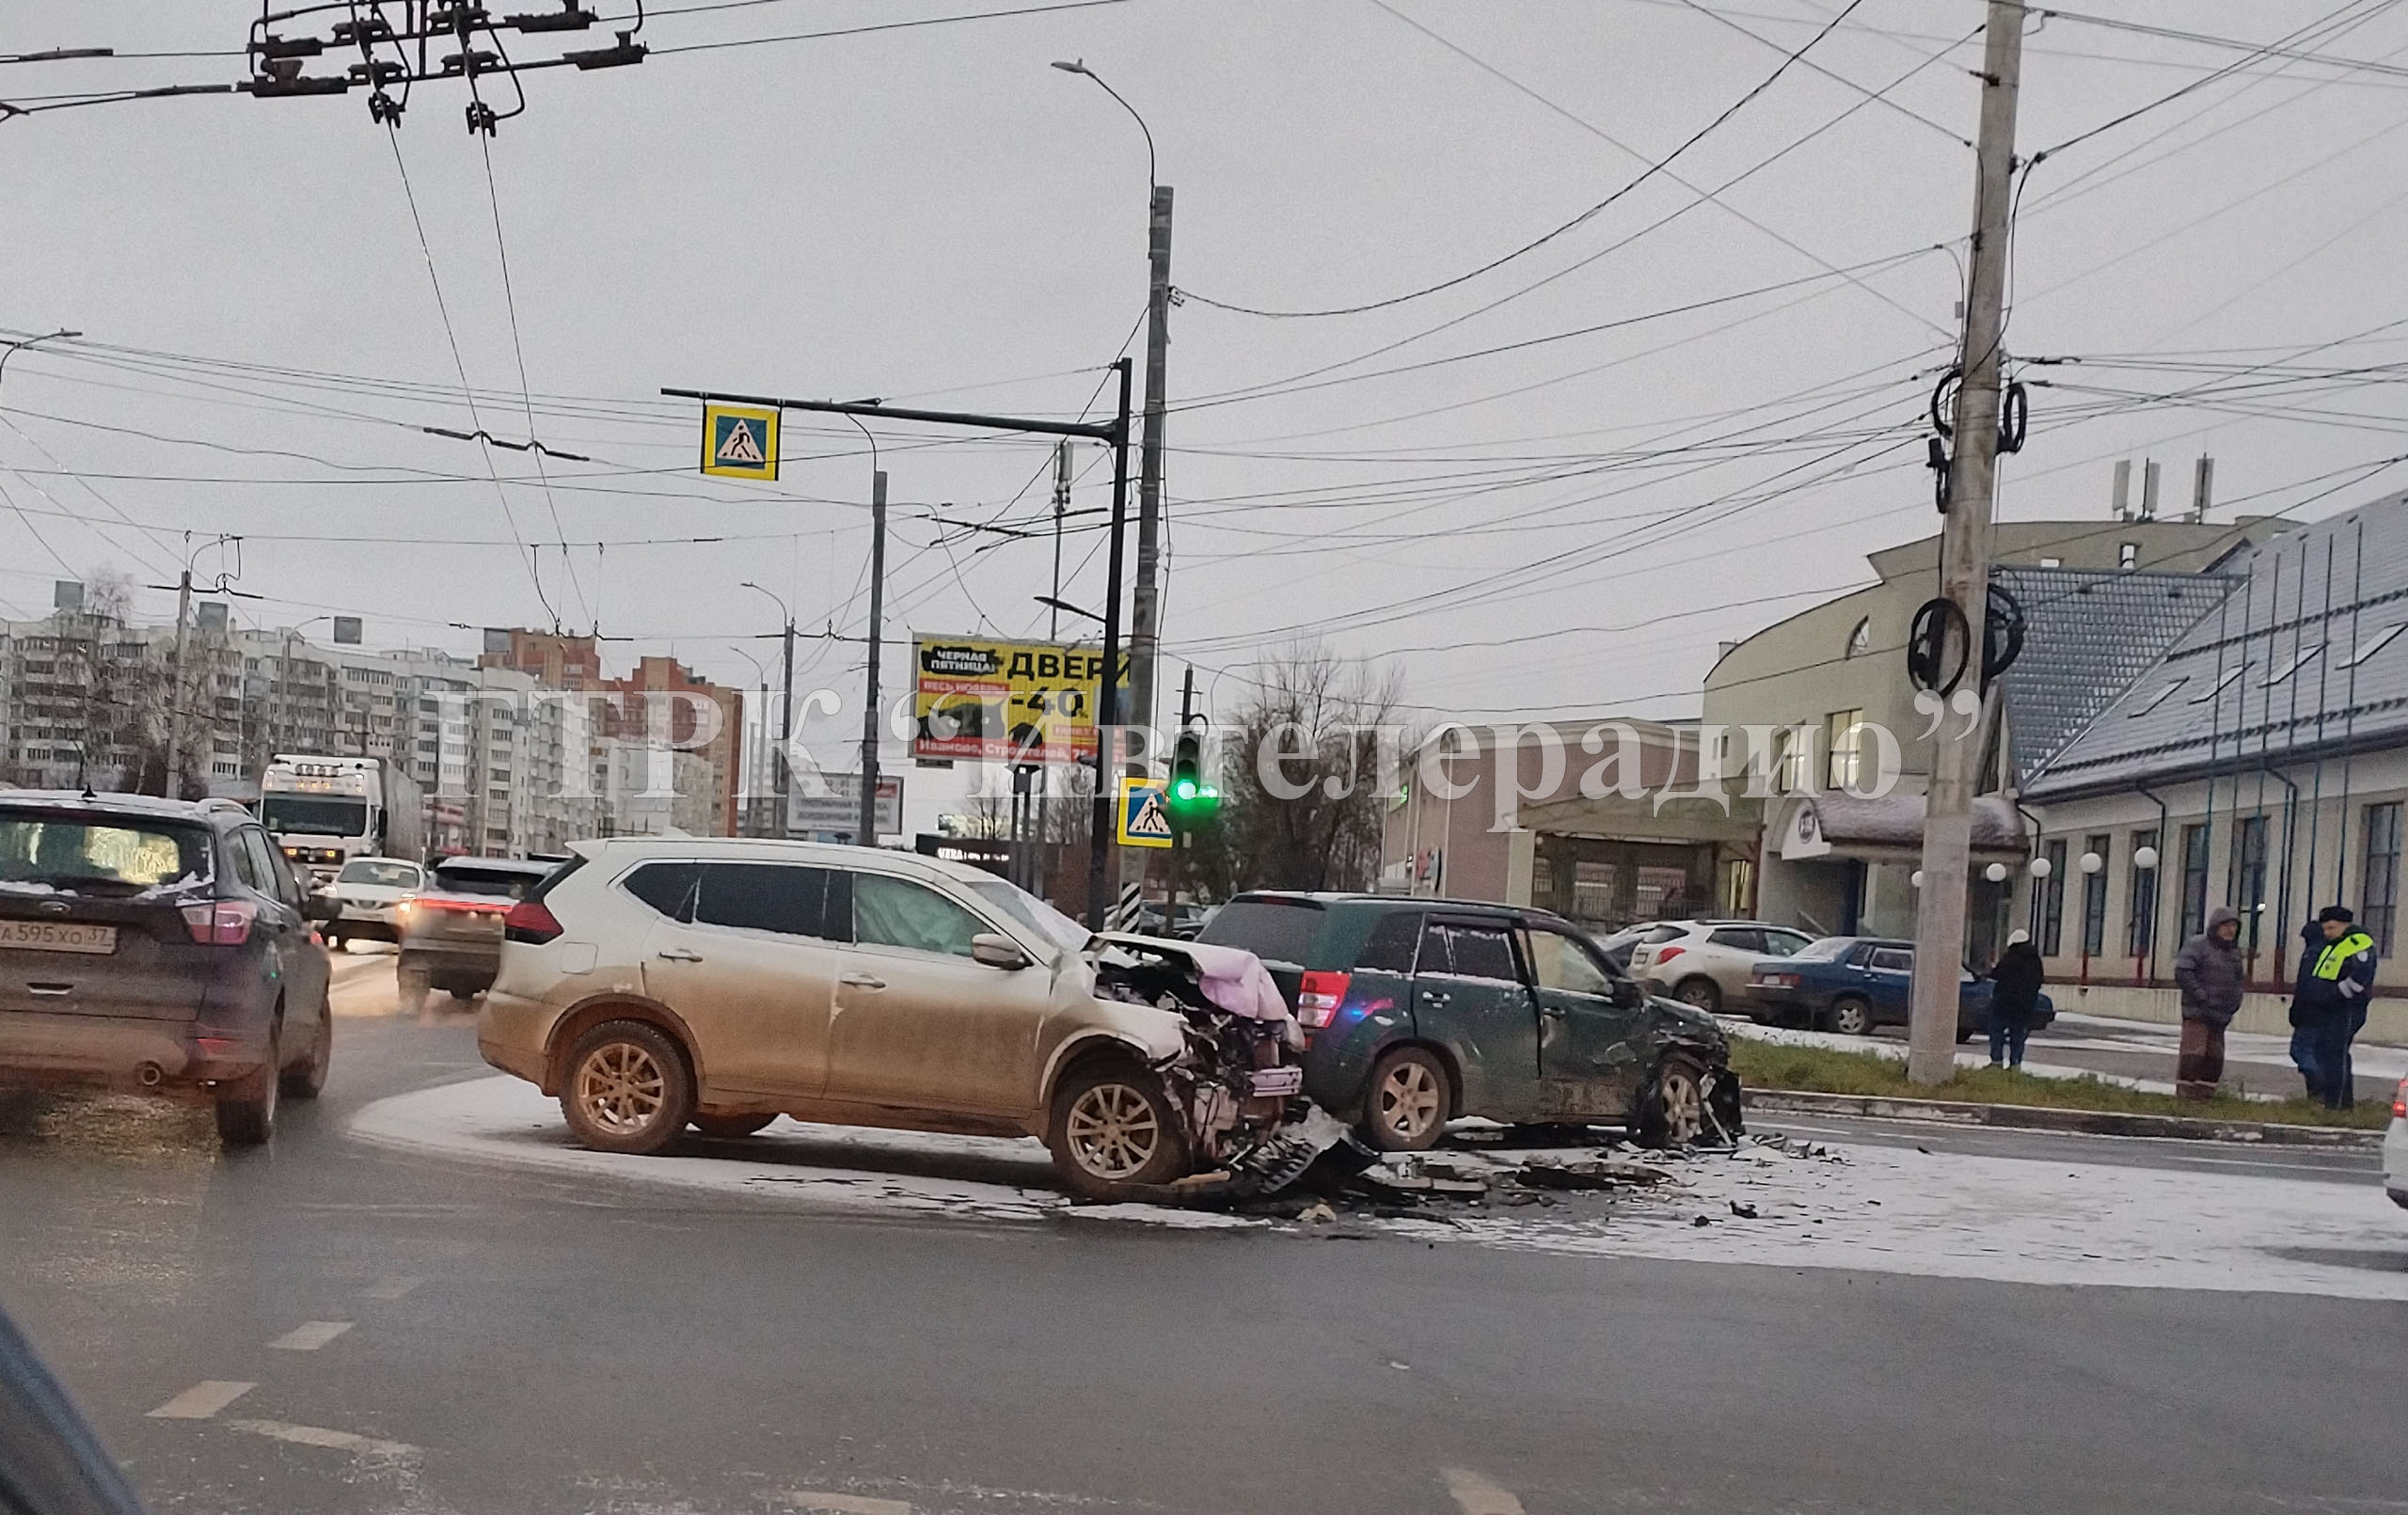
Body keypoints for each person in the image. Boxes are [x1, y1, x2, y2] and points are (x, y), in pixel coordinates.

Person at [2289, 905, 2376, 1109]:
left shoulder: (2358, 943)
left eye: (2331, 928)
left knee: (2335, 1054)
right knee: (2326, 1052)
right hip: (2329, 1008)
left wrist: (2335, 995)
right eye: (2325, 928)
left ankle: (2337, 1106)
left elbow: (2359, 978)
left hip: (2346, 1009)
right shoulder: (2335, 944)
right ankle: (2332, 1103)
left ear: (2345, 925)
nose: (2327, 933)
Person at [2171, 906, 2243, 1100]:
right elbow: (2183, 973)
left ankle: (2205, 1096)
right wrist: (2202, 996)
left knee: (2214, 1058)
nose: (2230, 930)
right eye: (2226, 926)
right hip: (2197, 1011)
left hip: (2220, 1014)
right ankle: (2186, 1096)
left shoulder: (2234, 953)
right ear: (2215, 927)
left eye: (2233, 926)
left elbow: (2238, 980)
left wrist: (2235, 1001)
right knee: (2193, 1055)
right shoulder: (2197, 945)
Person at [1986, 928, 2045, 1070]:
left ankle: (1997, 1062)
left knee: (1996, 1030)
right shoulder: (2035, 960)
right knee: (2018, 1034)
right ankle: (2015, 1064)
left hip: (2004, 1003)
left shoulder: (2010, 958)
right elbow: (2039, 981)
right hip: (2025, 1005)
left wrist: (1989, 970)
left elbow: (1997, 974)